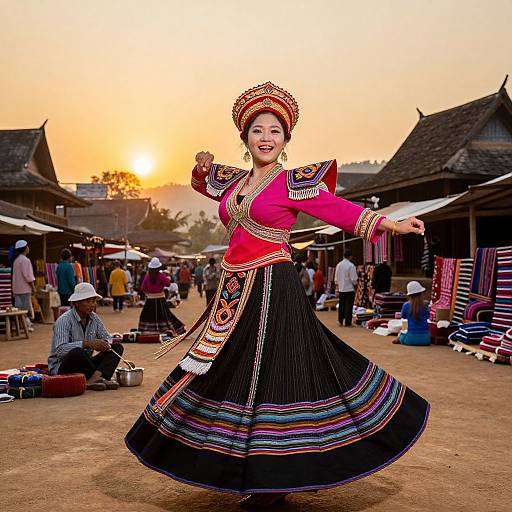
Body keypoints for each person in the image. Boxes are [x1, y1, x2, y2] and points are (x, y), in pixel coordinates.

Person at [125, 81, 429, 506]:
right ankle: (237, 465)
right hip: (234, 290)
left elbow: (341, 211)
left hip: (272, 287)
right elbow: (203, 182)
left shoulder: (293, 183)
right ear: (245, 139)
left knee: (274, 378)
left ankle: (276, 476)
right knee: (225, 371)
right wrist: (201, 164)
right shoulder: (233, 182)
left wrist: (392, 224)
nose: (266, 137)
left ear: (286, 140)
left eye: (275, 131)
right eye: (257, 130)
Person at [48, 282, 124, 390]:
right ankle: (98, 378)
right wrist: (87, 344)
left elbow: (107, 337)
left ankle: (95, 378)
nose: (92, 304)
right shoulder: (64, 320)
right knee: (77, 352)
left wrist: (105, 344)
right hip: (63, 366)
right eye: (88, 301)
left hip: (85, 365)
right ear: (76, 303)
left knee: (116, 347)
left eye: (93, 301)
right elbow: (60, 351)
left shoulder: (94, 318)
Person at [138, 257, 185, 335]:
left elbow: (143, 288)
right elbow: (168, 284)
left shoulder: (147, 276)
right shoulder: (161, 275)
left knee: (147, 315)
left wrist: (149, 294)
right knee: (166, 315)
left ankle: (148, 330)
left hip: (150, 300)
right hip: (160, 300)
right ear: (159, 267)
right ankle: (176, 329)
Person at [393, 281, 431, 346]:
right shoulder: (426, 305)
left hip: (409, 339)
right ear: (421, 293)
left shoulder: (406, 305)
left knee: (401, 332)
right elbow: (428, 317)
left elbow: (403, 318)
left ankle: (399, 338)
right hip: (426, 339)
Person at [12, 239, 35, 331]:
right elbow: (28, 276)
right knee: (26, 308)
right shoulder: (26, 260)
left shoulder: (16, 261)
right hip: (25, 288)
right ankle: (27, 325)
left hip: (17, 288)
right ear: (25, 248)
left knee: (18, 308)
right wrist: (33, 287)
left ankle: (18, 325)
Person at [335, 250, 358, 327]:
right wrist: (356, 284)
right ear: (350, 256)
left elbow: (336, 278)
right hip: (349, 288)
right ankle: (347, 322)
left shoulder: (339, 265)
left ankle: (340, 320)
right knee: (349, 305)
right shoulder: (351, 266)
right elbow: (353, 279)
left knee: (342, 305)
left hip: (341, 288)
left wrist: (338, 285)